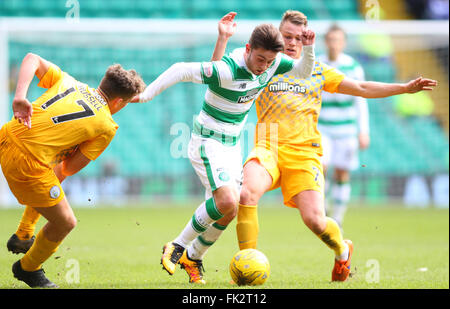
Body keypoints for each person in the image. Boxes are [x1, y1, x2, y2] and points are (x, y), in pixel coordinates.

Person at [211, 10, 437, 282]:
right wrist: (223, 39)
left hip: (304, 154)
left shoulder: (317, 70)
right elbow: (219, 75)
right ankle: (248, 267)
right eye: (287, 37)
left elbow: (362, 88)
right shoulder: (265, 66)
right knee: (246, 194)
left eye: (298, 37)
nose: (292, 42)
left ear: (305, 39)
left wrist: (403, 88)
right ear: (278, 38)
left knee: (315, 221)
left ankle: (342, 250)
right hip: (267, 146)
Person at [132, 14, 316, 284]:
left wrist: (309, 48)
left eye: (269, 62)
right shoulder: (228, 69)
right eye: (260, 59)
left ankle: (193, 257)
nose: (264, 67)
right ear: (248, 50)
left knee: (231, 209)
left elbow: (303, 71)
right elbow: (180, 69)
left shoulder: (271, 63)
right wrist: (146, 94)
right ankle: (177, 245)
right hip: (208, 142)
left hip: (232, 145)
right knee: (228, 200)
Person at [1, 52, 145, 288]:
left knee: (52, 170)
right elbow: (69, 167)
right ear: (119, 103)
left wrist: (19, 97)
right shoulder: (107, 125)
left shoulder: (68, 81)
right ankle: (28, 268)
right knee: (66, 222)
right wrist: (68, 149)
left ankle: (24, 233)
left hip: (7, 134)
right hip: (26, 164)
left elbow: (31, 58)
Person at [318, 24, 370, 229]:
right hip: (321, 127)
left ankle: (337, 217)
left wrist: (363, 130)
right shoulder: (318, 63)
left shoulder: (353, 67)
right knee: (321, 168)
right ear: (325, 41)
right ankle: (322, 210)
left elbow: (361, 99)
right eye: (331, 39)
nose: (334, 44)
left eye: (338, 40)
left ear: (344, 43)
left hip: (346, 129)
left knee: (342, 172)